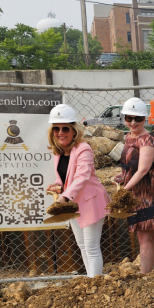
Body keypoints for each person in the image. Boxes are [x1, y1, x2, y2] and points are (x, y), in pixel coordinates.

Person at [46, 104, 111, 277]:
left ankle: (95, 283)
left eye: (65, 128)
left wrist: (64, 197)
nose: (60, 132)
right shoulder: (59, 152)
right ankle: (92, 280)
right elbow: (66, 177)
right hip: (73, 203)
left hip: (91, 202)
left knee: (91, 246)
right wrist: (57, 185)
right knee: (82, 245)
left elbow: (82, 176)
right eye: (56, 129)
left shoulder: (84, 149)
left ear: (74, 130)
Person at [115, 97, 154, 274]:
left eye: (138, 119)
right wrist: (123, 175)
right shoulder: (128, 137)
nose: (133, 122)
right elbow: (132, 166)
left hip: (151, 191)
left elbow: (143, 169)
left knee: (144, 234)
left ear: (144, 120)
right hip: (137, 189)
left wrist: (124, 189)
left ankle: (145, 277)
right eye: (129, 118)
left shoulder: (147, 140)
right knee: (153, 235)